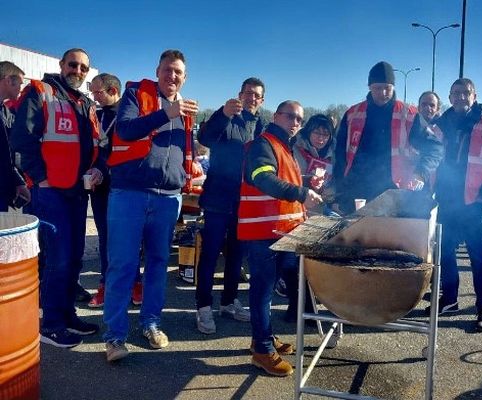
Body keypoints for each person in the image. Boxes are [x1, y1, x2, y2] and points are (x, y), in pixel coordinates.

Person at [102, 50, 198, 361]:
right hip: (130, 192)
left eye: (179, 72)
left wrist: (189, 172)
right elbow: (126, 130)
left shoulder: (187, 110)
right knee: (123, 265)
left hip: (169, 197)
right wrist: (166, 113)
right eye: (168, 70)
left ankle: (151, 323)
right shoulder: (135, 94)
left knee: (158, 264)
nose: (173, 76)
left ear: (185, 77)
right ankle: (115, 337)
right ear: (157, 71)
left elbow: (185, 151)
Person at [11, 48, 103, 348]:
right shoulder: (41, 92)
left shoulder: (85, 103)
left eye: (83, 67)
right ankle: (50, 324)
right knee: (58, 259)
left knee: (74, 257)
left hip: (78, 192)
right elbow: (22, 141)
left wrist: (97, 171)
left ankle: (67, 315)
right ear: (62, 65)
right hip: (50, 192)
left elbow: (94, 147)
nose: (77, 70)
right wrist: (40, 178)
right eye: (73, 64)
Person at [238, 100, 322, 377]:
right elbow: (263, 179)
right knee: (262, 291)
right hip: (265, 232)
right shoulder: (265, 143)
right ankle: (262, 350)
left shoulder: (284, 146)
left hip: (282, 230)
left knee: (271, 288)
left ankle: (264, 337)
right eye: (290, 116)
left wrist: (306, 183)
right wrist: (301, 194)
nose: (295, 122)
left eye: (299, 118)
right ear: (276, 116)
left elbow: (283, 179)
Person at [433, 78, 482, 332]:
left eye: (466, 93)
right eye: (455, 93)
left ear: (474, 96)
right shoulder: (440, 124)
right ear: (449, 96)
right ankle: (450, 299)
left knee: (479, 258)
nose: (460, 97)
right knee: (444, 255)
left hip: (475, 204)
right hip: (446, 201)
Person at [194, 78, 265, 334]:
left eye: (256, 95)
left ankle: (228, 302)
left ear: (262, 100)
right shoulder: (226, 118)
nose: (251, 98)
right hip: (216, 199)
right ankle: (203, 307)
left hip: (244, 201)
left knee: (237, 255)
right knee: (210, 255)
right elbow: (205, 137)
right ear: (240, 95)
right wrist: (222, 114)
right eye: (248, 93)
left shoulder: (261, 127)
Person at [332, 61, 443, 215]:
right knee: (357, 236)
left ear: (393, 87)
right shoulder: (353, 113)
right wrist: (339, 187)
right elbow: (339, 153)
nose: (383, 93)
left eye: (387, 88)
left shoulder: (408, 114)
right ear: (369, 86)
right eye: (378, 88)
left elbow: (435, 148)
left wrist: (421, 172)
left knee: (389, 236)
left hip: (395, 190)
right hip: (357, 189)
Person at [87, 73, 143, 308]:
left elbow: (130, 152)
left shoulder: (129, 114)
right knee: (106, 239)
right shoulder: (96, 115)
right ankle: (105, 284)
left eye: (98, 92)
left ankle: (136, 283)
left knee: (129, 238)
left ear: (112, 91)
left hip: (125, 187)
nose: (94, 96)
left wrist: (106, 170)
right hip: (100, 188)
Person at [0, 61, 29, 211]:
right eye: (20, 83)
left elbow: (8, 155)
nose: (21, 89)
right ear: (8, 80)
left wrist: (18, 182)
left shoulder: (7, 113)